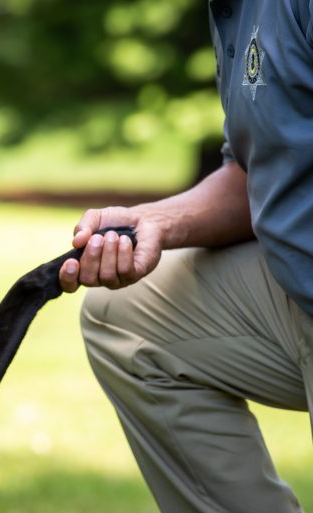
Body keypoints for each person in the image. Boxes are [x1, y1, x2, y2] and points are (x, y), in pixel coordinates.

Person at [57, 2, 313, 512]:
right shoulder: (234, 11)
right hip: (296, 291)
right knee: (126, 318)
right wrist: (154, 222)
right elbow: (254, 173)